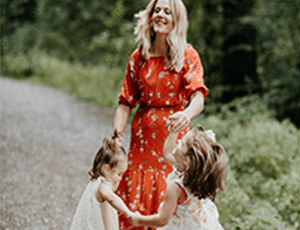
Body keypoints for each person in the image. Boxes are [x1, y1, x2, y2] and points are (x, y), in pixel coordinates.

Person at [112, 0, 208, 229]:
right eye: (157, 10)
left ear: (177, 19)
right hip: (141, 145)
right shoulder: (138, 57)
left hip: (173, 144)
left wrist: (187, 114)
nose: (161, 15)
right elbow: (125, 102)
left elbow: (198, 96)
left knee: (170, 196)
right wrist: (116, 137)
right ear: (149, 16)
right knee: (136, 196)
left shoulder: (188, 55)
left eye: (167, 11)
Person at [129, 124, 228, 229]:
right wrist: (174, 132)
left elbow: (162, 219)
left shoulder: (176, 187)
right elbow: (167, 154)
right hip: (199, 221)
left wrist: (138, 219)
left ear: (187, 161)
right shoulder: (195, 172)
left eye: (182, 143)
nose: (179, 140)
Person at [70, 133, 136, 230]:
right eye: (119, 174)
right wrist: (128, 213)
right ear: (107, 169)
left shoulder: (97, 180)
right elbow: (112, 198)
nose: (120, 178)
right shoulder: (103, 186)